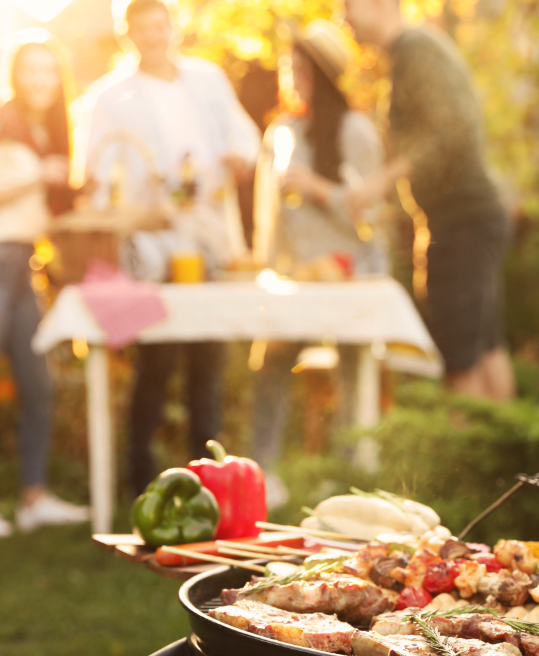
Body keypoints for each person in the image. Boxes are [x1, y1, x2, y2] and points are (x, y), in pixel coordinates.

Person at [74, 0, 260, 494]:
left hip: (208, 237)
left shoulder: (207, 80)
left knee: (207, 354)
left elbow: (244, 135)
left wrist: (239, 158)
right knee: (155, 353)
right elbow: (94, 176)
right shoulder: (110, 97)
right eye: (142, 29)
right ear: (127, 35)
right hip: (150, 243)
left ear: (172, 28)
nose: (154, 36)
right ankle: (141, 475)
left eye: (160, 26)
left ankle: (208, 474)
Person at [0, 40, 89, 538]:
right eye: (29, 71)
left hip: (22, 269)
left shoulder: (55, 132)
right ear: (15, 76)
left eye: (49, 71)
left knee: (39, 385)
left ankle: (34, 497)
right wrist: (33, 181)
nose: (39, 80)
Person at [342, 0, 515, 401]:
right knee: (485, 347)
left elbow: (450, 130)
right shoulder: (410, 53)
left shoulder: (416, 50)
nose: (343, 16)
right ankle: (505, 461)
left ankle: (471, 463)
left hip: (461, 222)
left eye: (347, 4)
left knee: (460, 357)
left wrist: (379, 183)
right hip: (467, 219)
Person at [250, 20, 389, 489]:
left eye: (305, 65)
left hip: (348, 273)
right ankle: (262, 469)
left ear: (327, 72)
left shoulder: (356, 132)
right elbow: (270, 215)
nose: (294, 73)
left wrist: (317, 190)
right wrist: (263, 263)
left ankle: (350, 471)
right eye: (291, 65)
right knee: (270, 359)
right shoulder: (282, 132)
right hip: (295, 275)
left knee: (353, 366)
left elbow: (372, 219)